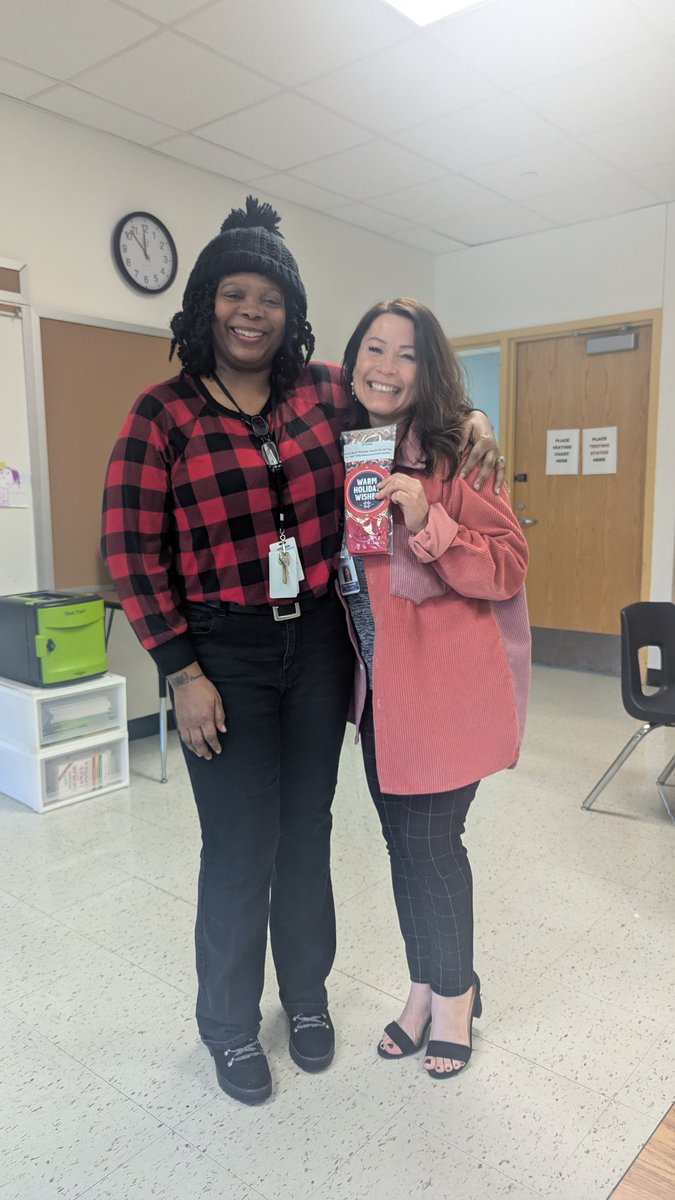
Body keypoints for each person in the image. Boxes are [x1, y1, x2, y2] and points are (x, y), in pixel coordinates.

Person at [101, 197, 503, 1105]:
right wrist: (182, 673)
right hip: (222, 655)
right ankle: (229, 1026)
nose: (251, 310)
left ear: (292, 311)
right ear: (205, 301)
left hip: (318, 645)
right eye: (233, 292)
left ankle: (308, 1000)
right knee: (239, 847)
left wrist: (473, 420)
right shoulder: (162, 414)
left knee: (307, 833)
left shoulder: (321, 391)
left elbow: (408, 397)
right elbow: (130, 553)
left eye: (269, 296)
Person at [341, 298, 530, 1080]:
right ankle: (423, 982)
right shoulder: (347, 444)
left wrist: (432, 519)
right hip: (378, 689)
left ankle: (454, 995)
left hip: (445, 692)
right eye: (373, 350)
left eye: (406, 355)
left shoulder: (460, 455)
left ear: (430, 369)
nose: (385, 368)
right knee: (400, 844)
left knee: (430, 844)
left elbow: (509, 563)